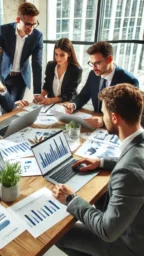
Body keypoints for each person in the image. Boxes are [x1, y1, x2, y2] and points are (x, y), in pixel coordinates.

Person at [53, 83, 144, 256]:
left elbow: (107, 231)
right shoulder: (139, 142)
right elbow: (134, 160)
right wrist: (101, 162)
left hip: (130, 245)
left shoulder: (127, 173)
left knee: (59, 235)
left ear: (115, 118)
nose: (103, 117)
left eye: (104, 114)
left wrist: (71, 199)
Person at [64, 41, 139, 128]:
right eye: (91, 63)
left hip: (117, 129)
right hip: (95, 125)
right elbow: (84, 95)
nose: (93, 68)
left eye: (97, 63)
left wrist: (103, 121)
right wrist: (73, 105)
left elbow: (128, 115)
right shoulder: (93, 74)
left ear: (110, 59)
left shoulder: (129, 81)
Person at [0, 2, 43, 102]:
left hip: (21, 78)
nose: (31, 28)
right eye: (28, 24)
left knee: (15, 107)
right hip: (4, 75)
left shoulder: (37, 36)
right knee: (4, 107)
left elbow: (37, 64)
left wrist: (37, 92)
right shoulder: (3, 31)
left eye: (34, 24)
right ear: (18, 20)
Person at [34, 38, 82, 105]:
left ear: (69, 54)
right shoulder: (50, 65)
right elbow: (47, 85)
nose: (58, 58)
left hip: (67, 105)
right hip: (50, 105)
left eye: (62, 55)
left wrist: (52, 100)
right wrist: (41, 96)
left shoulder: (76, 70)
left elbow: (69, 95)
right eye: (56, 54)